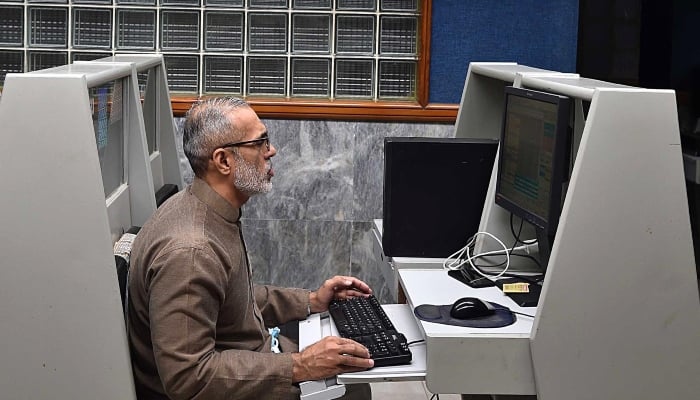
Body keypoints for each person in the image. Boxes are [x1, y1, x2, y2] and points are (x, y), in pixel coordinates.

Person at [127, 96, 374, 399]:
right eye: (260, 143)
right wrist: (299, 366)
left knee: (350, 375)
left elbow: (232, 298)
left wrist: (310, 301)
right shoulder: (191, 252)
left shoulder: (207, 210)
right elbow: (188, 378)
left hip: (247, 358)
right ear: (223, 161)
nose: (272, 151)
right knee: (353, 391)